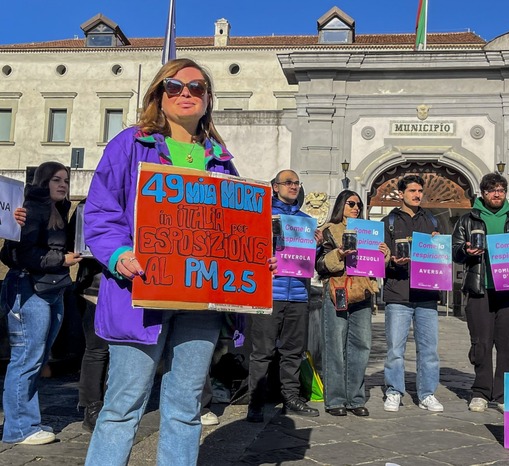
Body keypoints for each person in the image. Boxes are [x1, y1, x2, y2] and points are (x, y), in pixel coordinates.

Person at [83, 58, 274, 465]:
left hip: (200, 300)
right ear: (159, 94)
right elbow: (101, 212)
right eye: (174, 86)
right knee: (122, 406)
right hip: (139, 293)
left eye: (197, 87)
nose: (185, 93)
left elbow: (235, 228)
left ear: (208, 100)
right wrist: (119, 254)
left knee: (186, 408)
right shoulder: (130, 144)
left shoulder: (221, 160)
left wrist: (256, 262)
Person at [0, 161, 81, 445]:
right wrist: (63, 260)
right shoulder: (30, 210)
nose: (63, 184)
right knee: (26, 359)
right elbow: (17, 256)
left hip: (52, 289)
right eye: (56, 179)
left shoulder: (58, 210)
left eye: (66, 180)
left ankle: (26, 422)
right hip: (28, 289)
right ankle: (20, 429)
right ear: (42, 182)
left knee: (36, 359)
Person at [451, 172, 509, 413]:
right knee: (481, 342)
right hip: (480, 289)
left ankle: (505, 393)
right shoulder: (468, 220)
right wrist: (466, 251)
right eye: (492, 190)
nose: (497, 194)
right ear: (483, 193)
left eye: (501, 190)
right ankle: (480, 391)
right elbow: (454, 251)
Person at [246, 169, 322, 423]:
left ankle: (290, 397)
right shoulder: (261, 216)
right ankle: (255, 403)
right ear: (275, 187)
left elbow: (309, 259)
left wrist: (317, 244)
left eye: (296, 183)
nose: (293, 186)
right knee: (262, 351)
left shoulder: (306, 221)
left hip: (299, 294)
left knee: (293, 351)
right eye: (287, 182)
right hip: (269, 293)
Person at [315, 190, 390, 416]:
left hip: (363, 290)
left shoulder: (371, 232)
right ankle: (336, 399)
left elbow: (375, 265)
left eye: (359, 204)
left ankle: (355, 399)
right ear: (341, 205)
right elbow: (319, 265)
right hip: (337, 289)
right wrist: (338, 254)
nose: (356, 207)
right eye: (351, 203)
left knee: (362, 345)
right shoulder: (328, 230)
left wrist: (383, 255)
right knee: (335, 345)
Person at [381, 174, 444, 413]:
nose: (417, 195)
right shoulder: (389, 221)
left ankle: (427, 393)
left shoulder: (432, 221)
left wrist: (439, 247)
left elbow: (441, 258)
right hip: (398, 293)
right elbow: (381, 260)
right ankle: (394, 391)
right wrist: (393, 261)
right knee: (395, 349)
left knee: (429, 349)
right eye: (412, 191)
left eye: (419, 191)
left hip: (427, 294)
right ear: (401, 194)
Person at [67, 200, 108, 432]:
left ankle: (101, 407)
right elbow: (72, 240)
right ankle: (92, 407)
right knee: (96, 350)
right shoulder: (86, 207)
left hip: (113, 290)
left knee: (112, 352)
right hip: (93, 290)